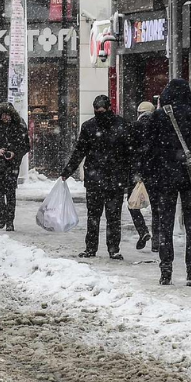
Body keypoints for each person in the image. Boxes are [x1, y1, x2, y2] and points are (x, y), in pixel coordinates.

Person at [137, 79, 191, 286]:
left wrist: (147, 173)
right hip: (190, 175)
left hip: (165, 176)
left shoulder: (159, 116)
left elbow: (148, 148)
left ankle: (165, 270)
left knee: (165, 224)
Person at [62, 95, 137, 260]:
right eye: (97, 111)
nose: (99, 113)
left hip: (103, 177)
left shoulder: (95, 126)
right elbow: (80, 151)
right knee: (105, 215)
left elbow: (130, 152)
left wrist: (133, 173)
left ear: (108, 108)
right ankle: (108, 248)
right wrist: (67, 171)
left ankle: (99, 248)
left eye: (101, 110)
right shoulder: (119, 125)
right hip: (107, 177)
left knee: (103, 215)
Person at [0, 103, 29, 233]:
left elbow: (26, 146)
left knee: (10, 193)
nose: (5, 117)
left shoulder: (19, 128)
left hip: (12, 165)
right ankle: (2, 213)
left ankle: (10, 221)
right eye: (3, 114)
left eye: (7, 114)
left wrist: (14, 153)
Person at [130, 101, 156, 251]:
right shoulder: (158, 128)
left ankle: (143, 230)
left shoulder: (134, 127)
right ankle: (157, 242)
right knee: (157, 208)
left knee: (133, 203)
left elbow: (130, 150)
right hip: (155, 172)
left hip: (137, 173)